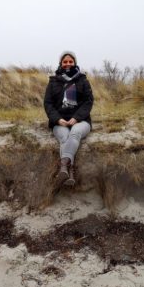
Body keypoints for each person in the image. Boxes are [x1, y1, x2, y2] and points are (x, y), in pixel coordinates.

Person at [44, 51, 94, 186]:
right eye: (65, 62)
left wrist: (76, 118)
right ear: (61, 63)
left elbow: (88, 102)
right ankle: (69, 171)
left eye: (70, 62)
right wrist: (58, 119)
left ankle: (64, 167)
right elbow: (48, 104)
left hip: (81, 121)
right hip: (59, 122)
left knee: (75, 133)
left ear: (75, 63)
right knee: (64, 137)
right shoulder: (53, 81)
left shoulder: (83, 80)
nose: (67, 64)